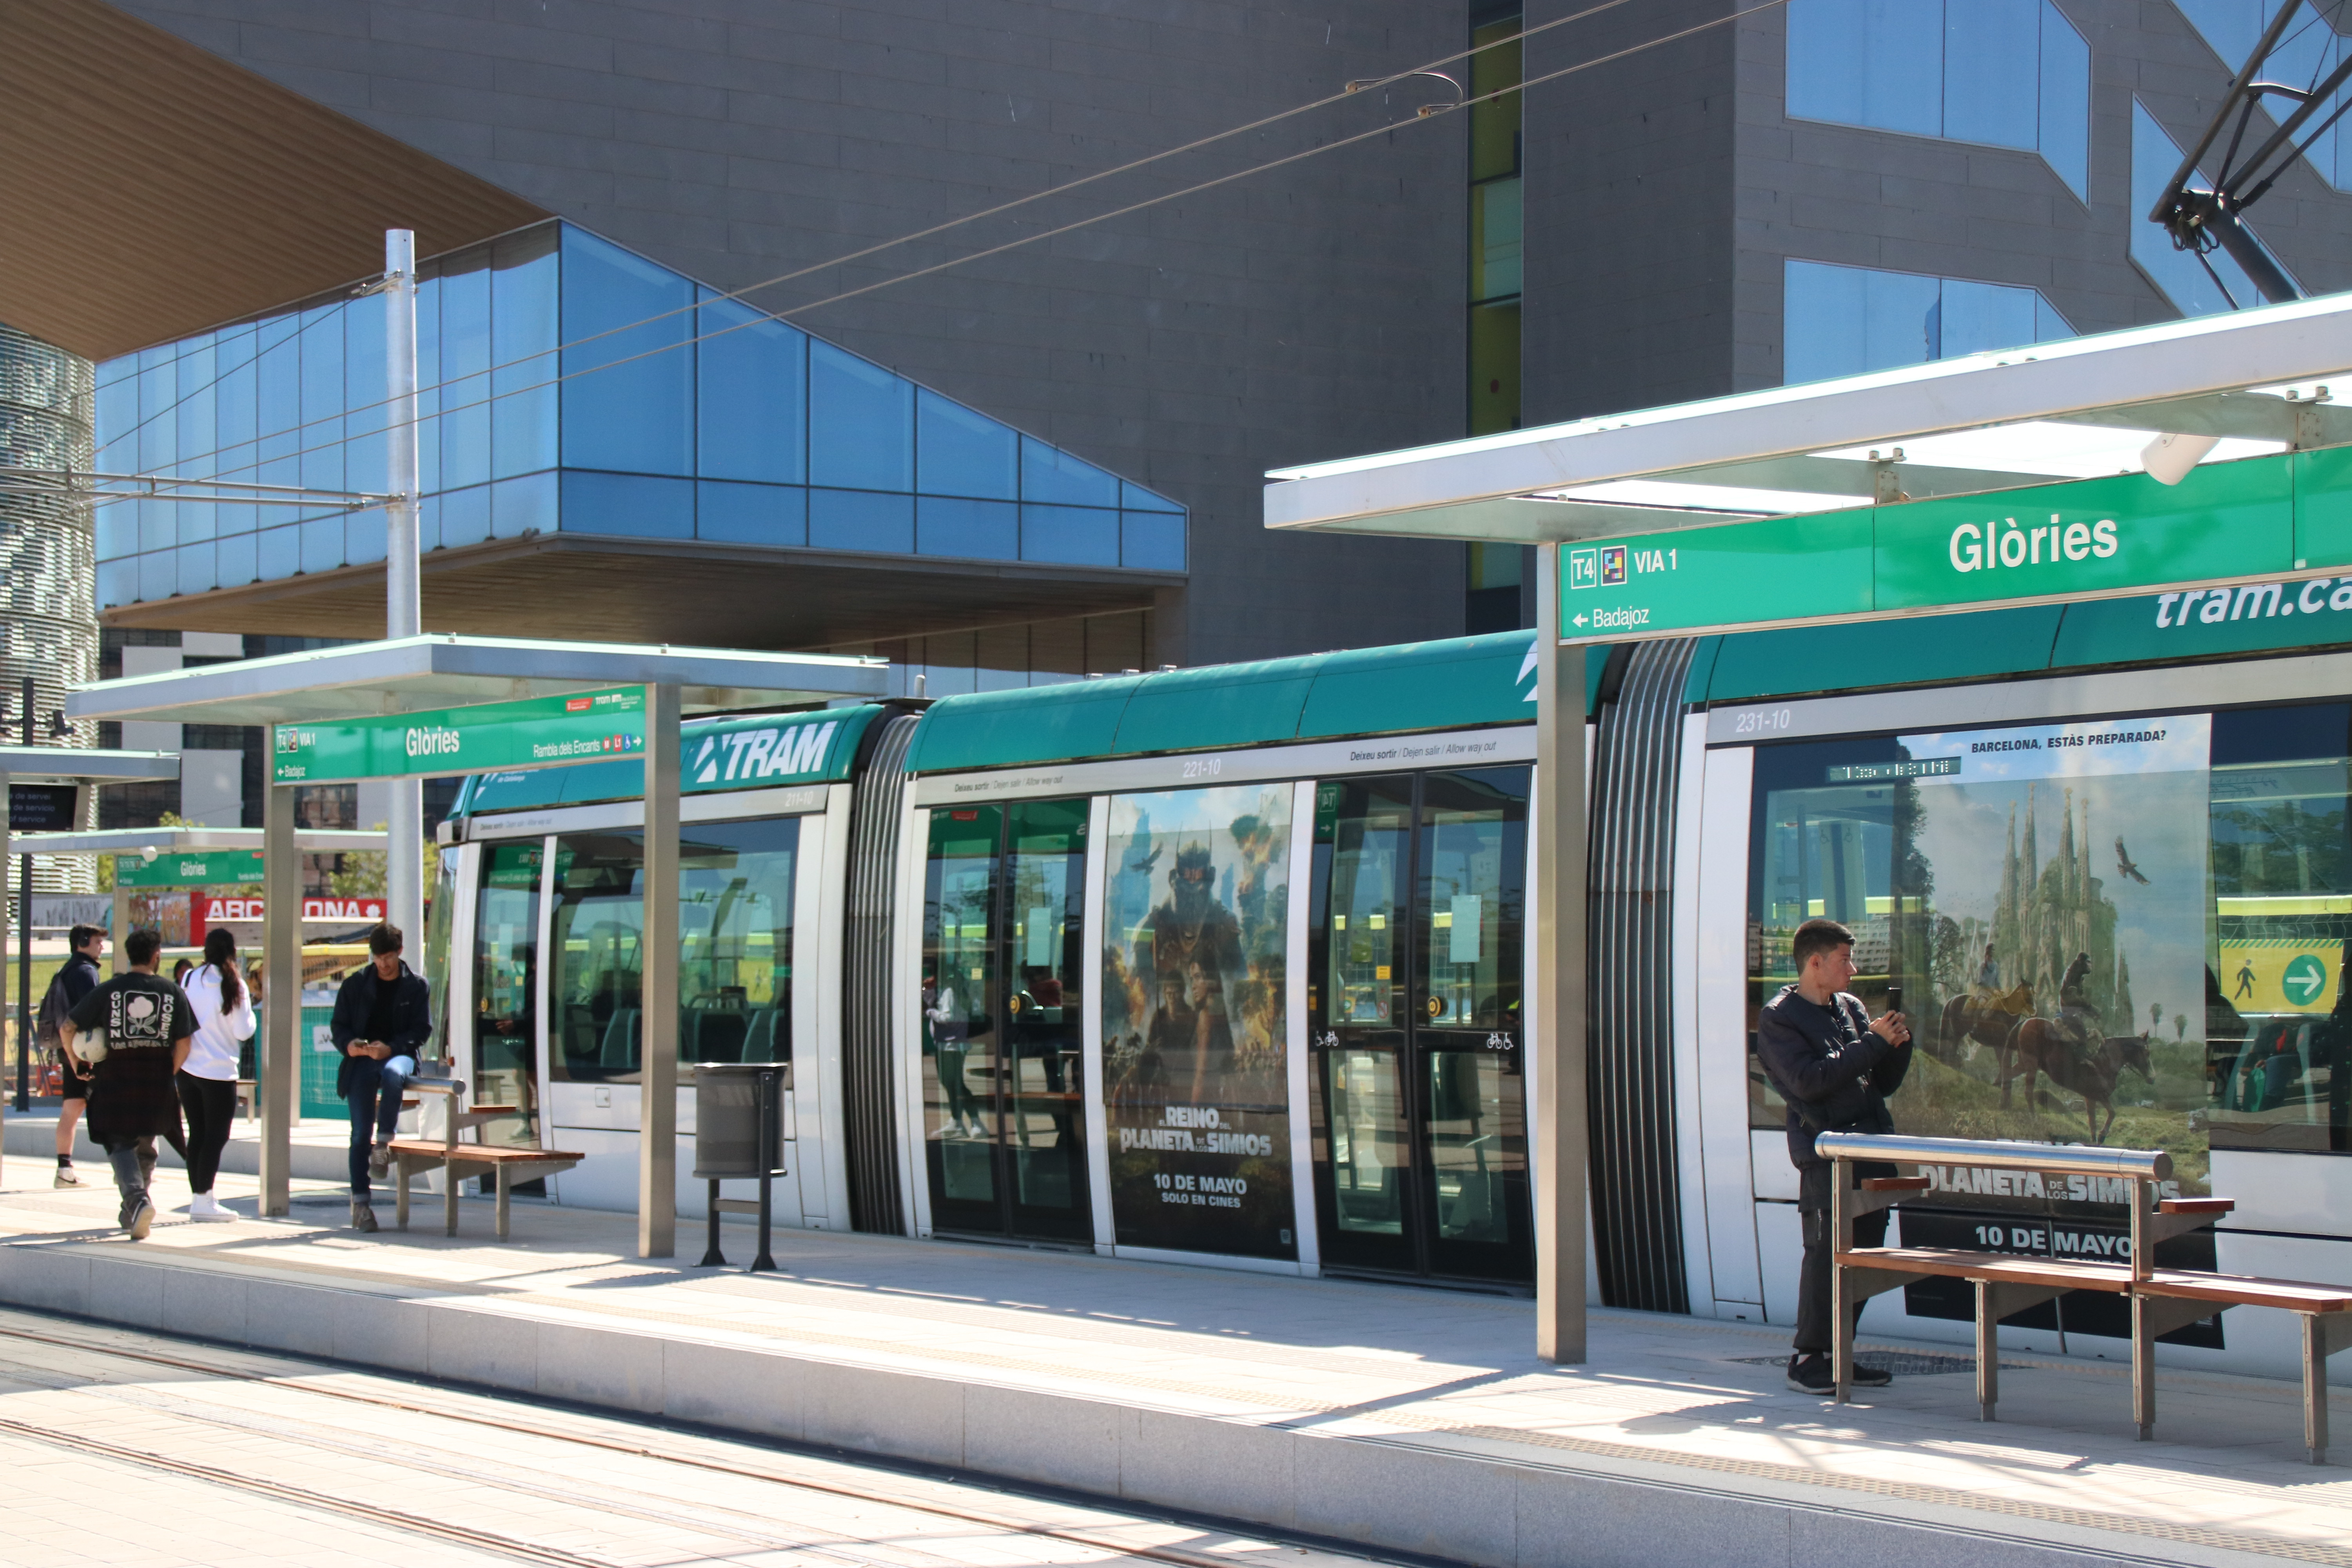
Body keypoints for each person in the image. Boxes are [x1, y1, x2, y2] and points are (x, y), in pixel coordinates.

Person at [1754, 918, 1914, 1396]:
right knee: (1826, 1254)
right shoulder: (1779, 1017)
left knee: (1863, 1257)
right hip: (1827, 1156)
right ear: (1815, 962)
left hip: (1871, 1150)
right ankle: (1809, 1358)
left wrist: (1897, 1046)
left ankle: (1840, 1351)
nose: (1853, 968)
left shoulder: (1850, 1008)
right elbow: (1811, 1081)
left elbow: (1876, 1082)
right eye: (1845, 959)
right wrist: (1873, 1044)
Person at [57, 927, 193, 1240]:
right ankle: (134, 1208)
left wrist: (76, 1061)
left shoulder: (110, 989)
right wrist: (167, 1072)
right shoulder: (172, 991)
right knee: (147, 1141)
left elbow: (68, 1027)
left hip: (116, 1079)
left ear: (130, 955)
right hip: (157, 1080)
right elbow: (185, 1043)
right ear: (156, 956)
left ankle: (136, 1199)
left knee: (118, 1140)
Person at [330, 922, 433, 1232]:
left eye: (388, 957)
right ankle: (361, 1204)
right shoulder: (356, 984)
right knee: (359, 1134)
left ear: (399, 952)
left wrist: (391, 1048)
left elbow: (421, 1030)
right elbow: (340, 1027)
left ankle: (384, 1144)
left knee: (392, 1073)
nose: (383, 964)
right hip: (363, 1060)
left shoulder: (416, 985)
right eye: (378, 958)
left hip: (397, 1055)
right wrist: (352, 1047)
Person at [178, 929, 255, 1221]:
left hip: (189, 1069)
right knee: (217, 1136)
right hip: (220, 1072)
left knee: (197, 1133)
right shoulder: (235, 984)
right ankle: (204, 1200)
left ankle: (200, 1196)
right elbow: (243, 1031)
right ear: (232, 951)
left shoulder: (189, 979)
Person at [35, 924, 105, 1187]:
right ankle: (124, 1160)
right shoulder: (85, 972)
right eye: (98, 941)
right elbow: (92, 1010)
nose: (102, 946)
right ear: (83, 941)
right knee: (104, 1102)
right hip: (86, 1049)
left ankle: (64, 1169)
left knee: (73, 1106)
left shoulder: (67, 969)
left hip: (69, 1049)